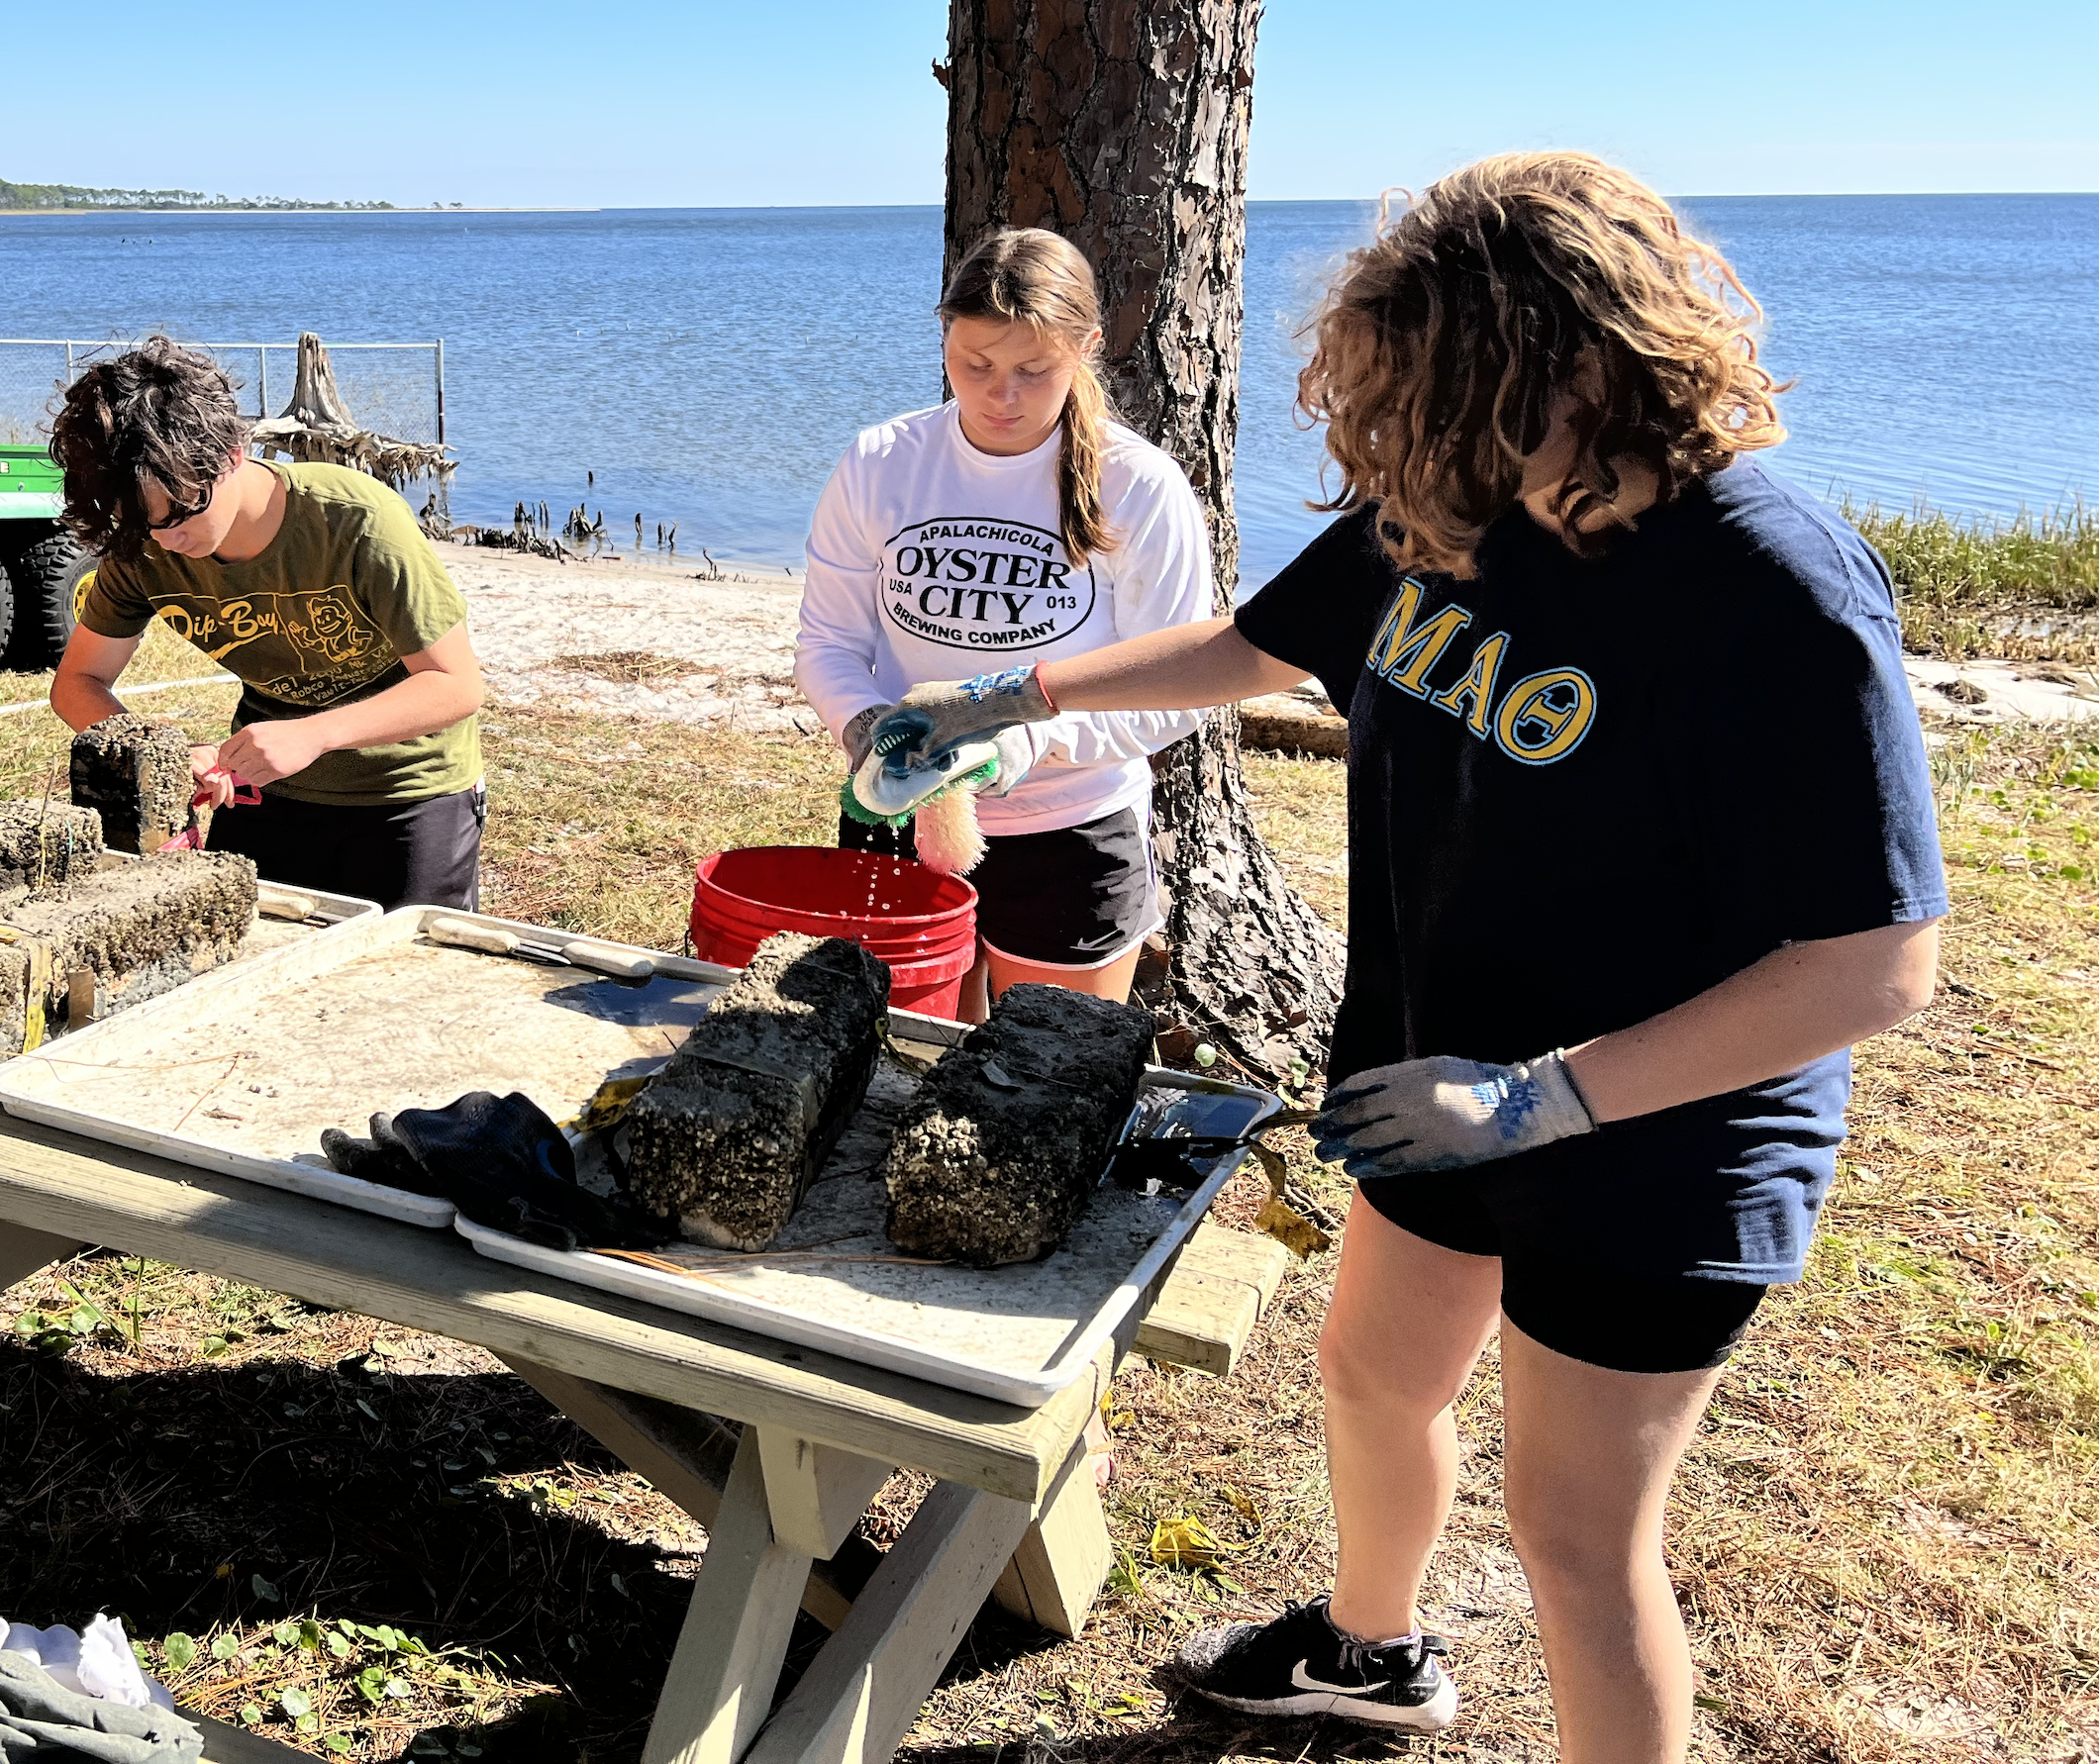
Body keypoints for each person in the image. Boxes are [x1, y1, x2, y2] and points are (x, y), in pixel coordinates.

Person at [870, 154, 1945, 1759]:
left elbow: (1875, 960)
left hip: (1659, 1139)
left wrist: (1542, 1104)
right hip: (1436, 1073)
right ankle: (1370, 1655)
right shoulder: (1459, 486)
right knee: (1376, 1378)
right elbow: (1260, 647)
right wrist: (1012, 696)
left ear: (1586, 364)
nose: (1410, 442)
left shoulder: (1768, 587)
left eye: (1447, 398)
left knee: (1575, 1543)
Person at [796, 227, 1212, 1021]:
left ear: (1087, 347)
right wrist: (864, 729)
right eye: (975, 364)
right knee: (900, 1066)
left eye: (1034, 370)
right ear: (944, 332)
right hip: (901, 811)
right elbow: (829, 642)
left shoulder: (1140, 486)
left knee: (1050, 1087)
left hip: (1073, 832)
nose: (1000, 396)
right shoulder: (881, 460)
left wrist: (1026, 736)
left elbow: (1177, 689)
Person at [47, 337, 489, 911]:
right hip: (263, 795)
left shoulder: (356, 523)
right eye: (139, 524)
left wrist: (314, 734)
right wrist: (162, 753)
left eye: (179, 514)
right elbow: (77, 685)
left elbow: (456, 684)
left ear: (232, 453)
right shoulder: (140, 545)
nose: (164, 540)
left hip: (410, 790)